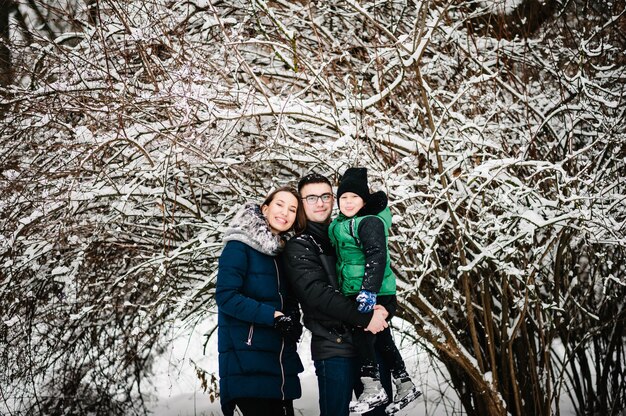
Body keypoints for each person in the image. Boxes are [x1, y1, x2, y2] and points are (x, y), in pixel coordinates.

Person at [282, 173, 391, 416]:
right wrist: (366, 317)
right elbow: (318, 294)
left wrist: (384, 307)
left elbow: (378, 272)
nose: (320, 203)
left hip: (368, 344)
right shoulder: (300, 245)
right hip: (334, 346)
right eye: (311, 198)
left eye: (325, 196)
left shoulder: (344, 234)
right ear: (300, 202)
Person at [329, 167, 421, 414]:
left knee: (362, 332)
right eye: (343, 198)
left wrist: (368, 292)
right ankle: (404, 382)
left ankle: (373, 388)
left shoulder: (368, 222)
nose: (348, 203)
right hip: (368, 287)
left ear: (364, 200)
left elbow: (377, 256)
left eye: (354, 198)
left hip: (371, 288)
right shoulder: (347, 222)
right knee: (381, 337)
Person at [215, 187, 307, 416]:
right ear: (265, 208)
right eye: (279, 204)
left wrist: (293, 318)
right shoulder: (240, 245)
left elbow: (286, 299)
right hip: (247, 362)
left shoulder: (282, 252)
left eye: (292, 209)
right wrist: (272, 316)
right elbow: (226, 296)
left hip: (279, 365)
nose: (285, 212)